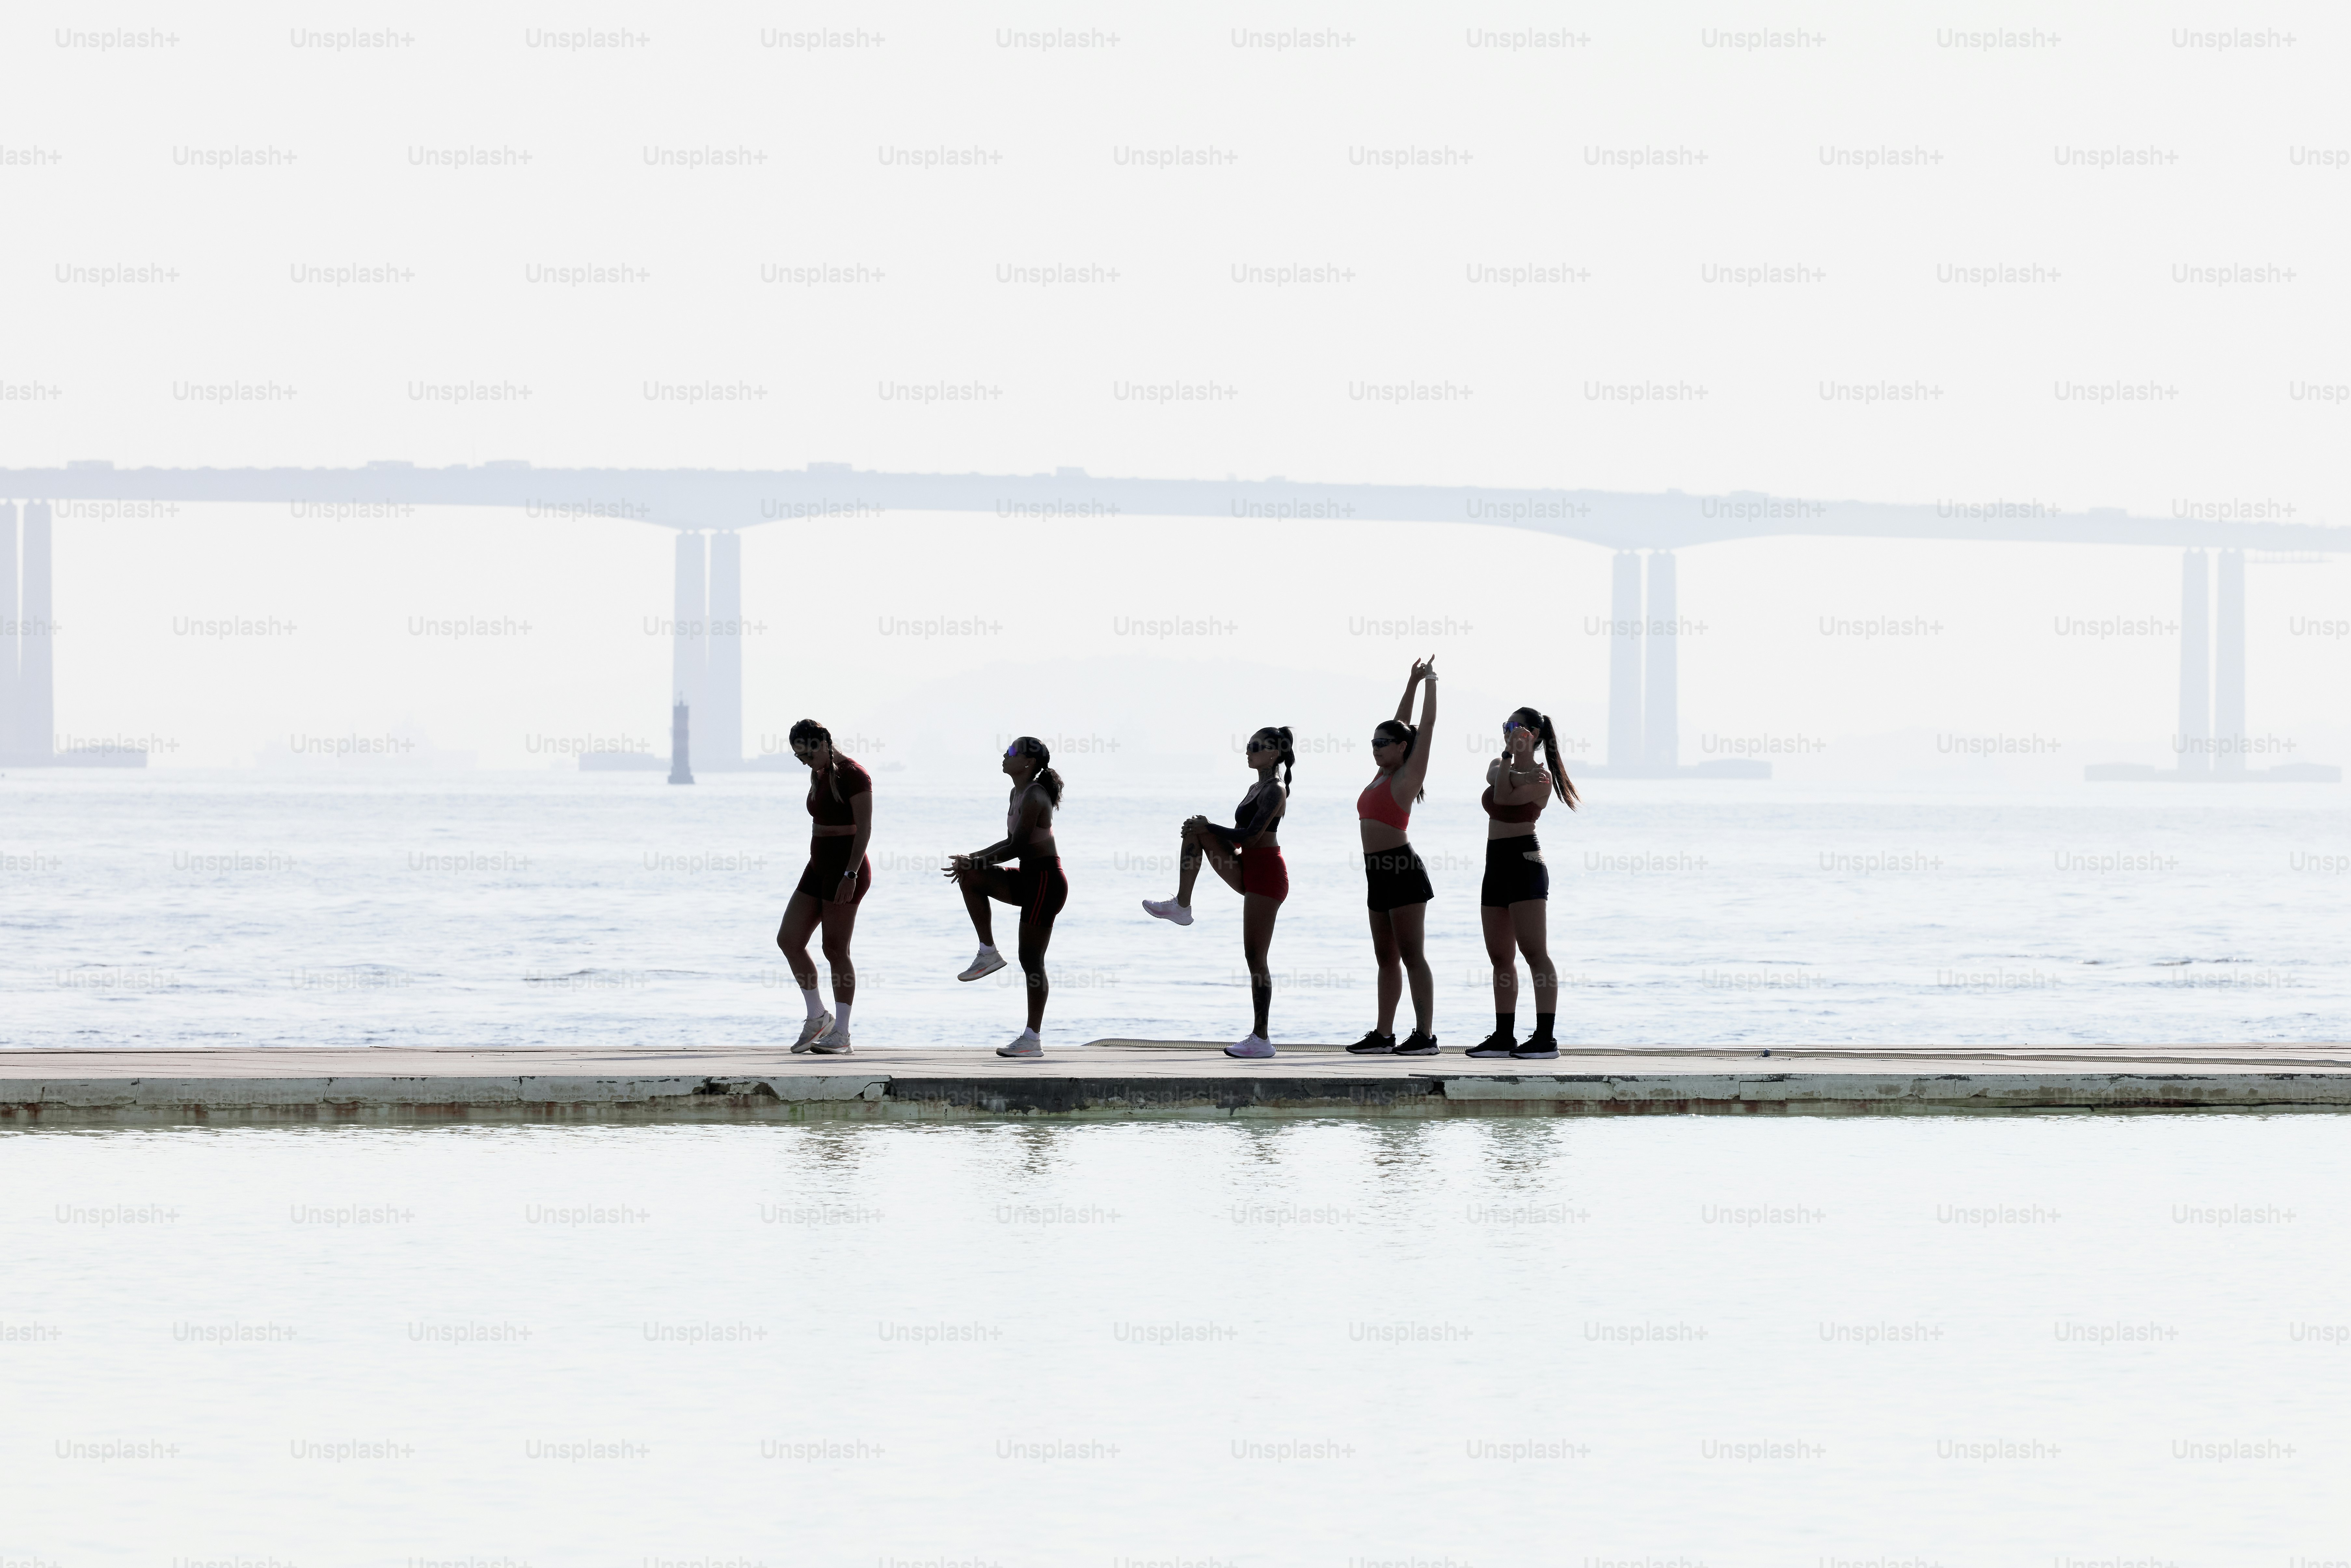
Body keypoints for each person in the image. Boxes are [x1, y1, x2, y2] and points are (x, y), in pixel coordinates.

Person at [1142, 726, 1294, 1059]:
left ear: (1274, 753)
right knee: (1196, 829)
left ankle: (1262, 1038)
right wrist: (1205, 827)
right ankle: (1182, 905)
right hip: (1248, 866)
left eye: (1256, 747)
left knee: (1256, 958)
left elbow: (1251, 836)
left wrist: (1211, 827)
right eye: (1248, 746)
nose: (1248, 751)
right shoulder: (1257, 786)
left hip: (1267, 874)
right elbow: (1240, 838)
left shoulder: (1275, 789)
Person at [1465, 708, 1579, 1061]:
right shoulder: (1499, 765)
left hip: (1524, 861)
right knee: (1500, 956)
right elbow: (1498, 781)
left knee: (1534, 953)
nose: (1509, 732)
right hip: (1494, 864)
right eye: (1506, 726)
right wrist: (1513, 764)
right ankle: (1504, 1035)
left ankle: (1545, 1038)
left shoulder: (1542, 779)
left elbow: (1501, 798)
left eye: (1517, 727)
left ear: (1534, 735)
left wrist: (1518, 765)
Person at [946, 737, 1068, 1059]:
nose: (1005, 754)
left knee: (1031, 961)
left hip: (1045, 881)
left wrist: (977, 859)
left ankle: (1032, 1038)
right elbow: (1011, 840)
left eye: (1012, 751)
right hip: (1030, 876)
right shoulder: (1017, 792)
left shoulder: (1036, 796)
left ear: (1028, 762)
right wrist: (971, 859)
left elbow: (1018, 847)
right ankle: (988, 952)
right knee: (970, 876)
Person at [1348, 660, 1440, 1056]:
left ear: (1401, 748)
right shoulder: (1381, 775)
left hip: (1402, 868)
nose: (1375, 748)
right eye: (1372, 743)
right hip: (1377, 871)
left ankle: (1425, 1036)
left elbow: (1425, 727)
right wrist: (1410, 681)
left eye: (1381, 743)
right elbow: (1400, 722)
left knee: (1411, 954)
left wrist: (1432, 683)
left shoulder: (1407, 776)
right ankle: (1384, 1035)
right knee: (1385, 956)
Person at [776, 720, 872, 1054]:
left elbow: (865, 829)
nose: (805, 760)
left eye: (808, 753)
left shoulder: (855, 775)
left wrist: (851, 873)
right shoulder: (818, 774)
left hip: (845, 870)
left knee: (835, 950)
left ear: (824, 742)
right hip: (817, 867)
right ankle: (818, 1015)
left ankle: (842, 1033)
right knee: (789, 939)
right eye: (798, 756)